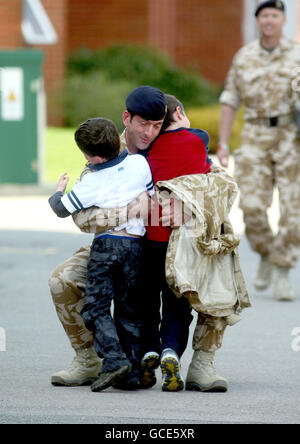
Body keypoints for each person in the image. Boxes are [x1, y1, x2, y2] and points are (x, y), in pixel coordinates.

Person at [49, 86, 167, 387]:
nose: (151, 132)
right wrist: (130, 211)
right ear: (126, 119)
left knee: (105, 307)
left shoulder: (167, 147)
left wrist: (59, 192)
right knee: (63, 280)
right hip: (129, 245)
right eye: (144, 124)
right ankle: (90, 360)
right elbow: (83, 220)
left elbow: (66, 208)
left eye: (157, 125)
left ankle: (123, 364)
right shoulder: (123, 158)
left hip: (152, 248)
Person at [217, 0, 300, 301]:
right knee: (251, 205)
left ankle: (281, 269)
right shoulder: (244, 56)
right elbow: (230, 99)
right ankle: (265, 252)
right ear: (258, 20)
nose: (269, 20)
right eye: (263, 15)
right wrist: (223, 143)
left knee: (294, 211)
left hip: (291, 136)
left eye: (274, 15)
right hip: (254, 134)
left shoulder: (297, 55)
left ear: (283, 20)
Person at [138, 94, 212, 392]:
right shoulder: (196, 142)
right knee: (178, 303)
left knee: (147, 301)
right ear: (179, 113)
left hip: (152, 238)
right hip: (184, 241)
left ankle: (149, 349)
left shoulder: (147, 149)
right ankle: (171, 350)